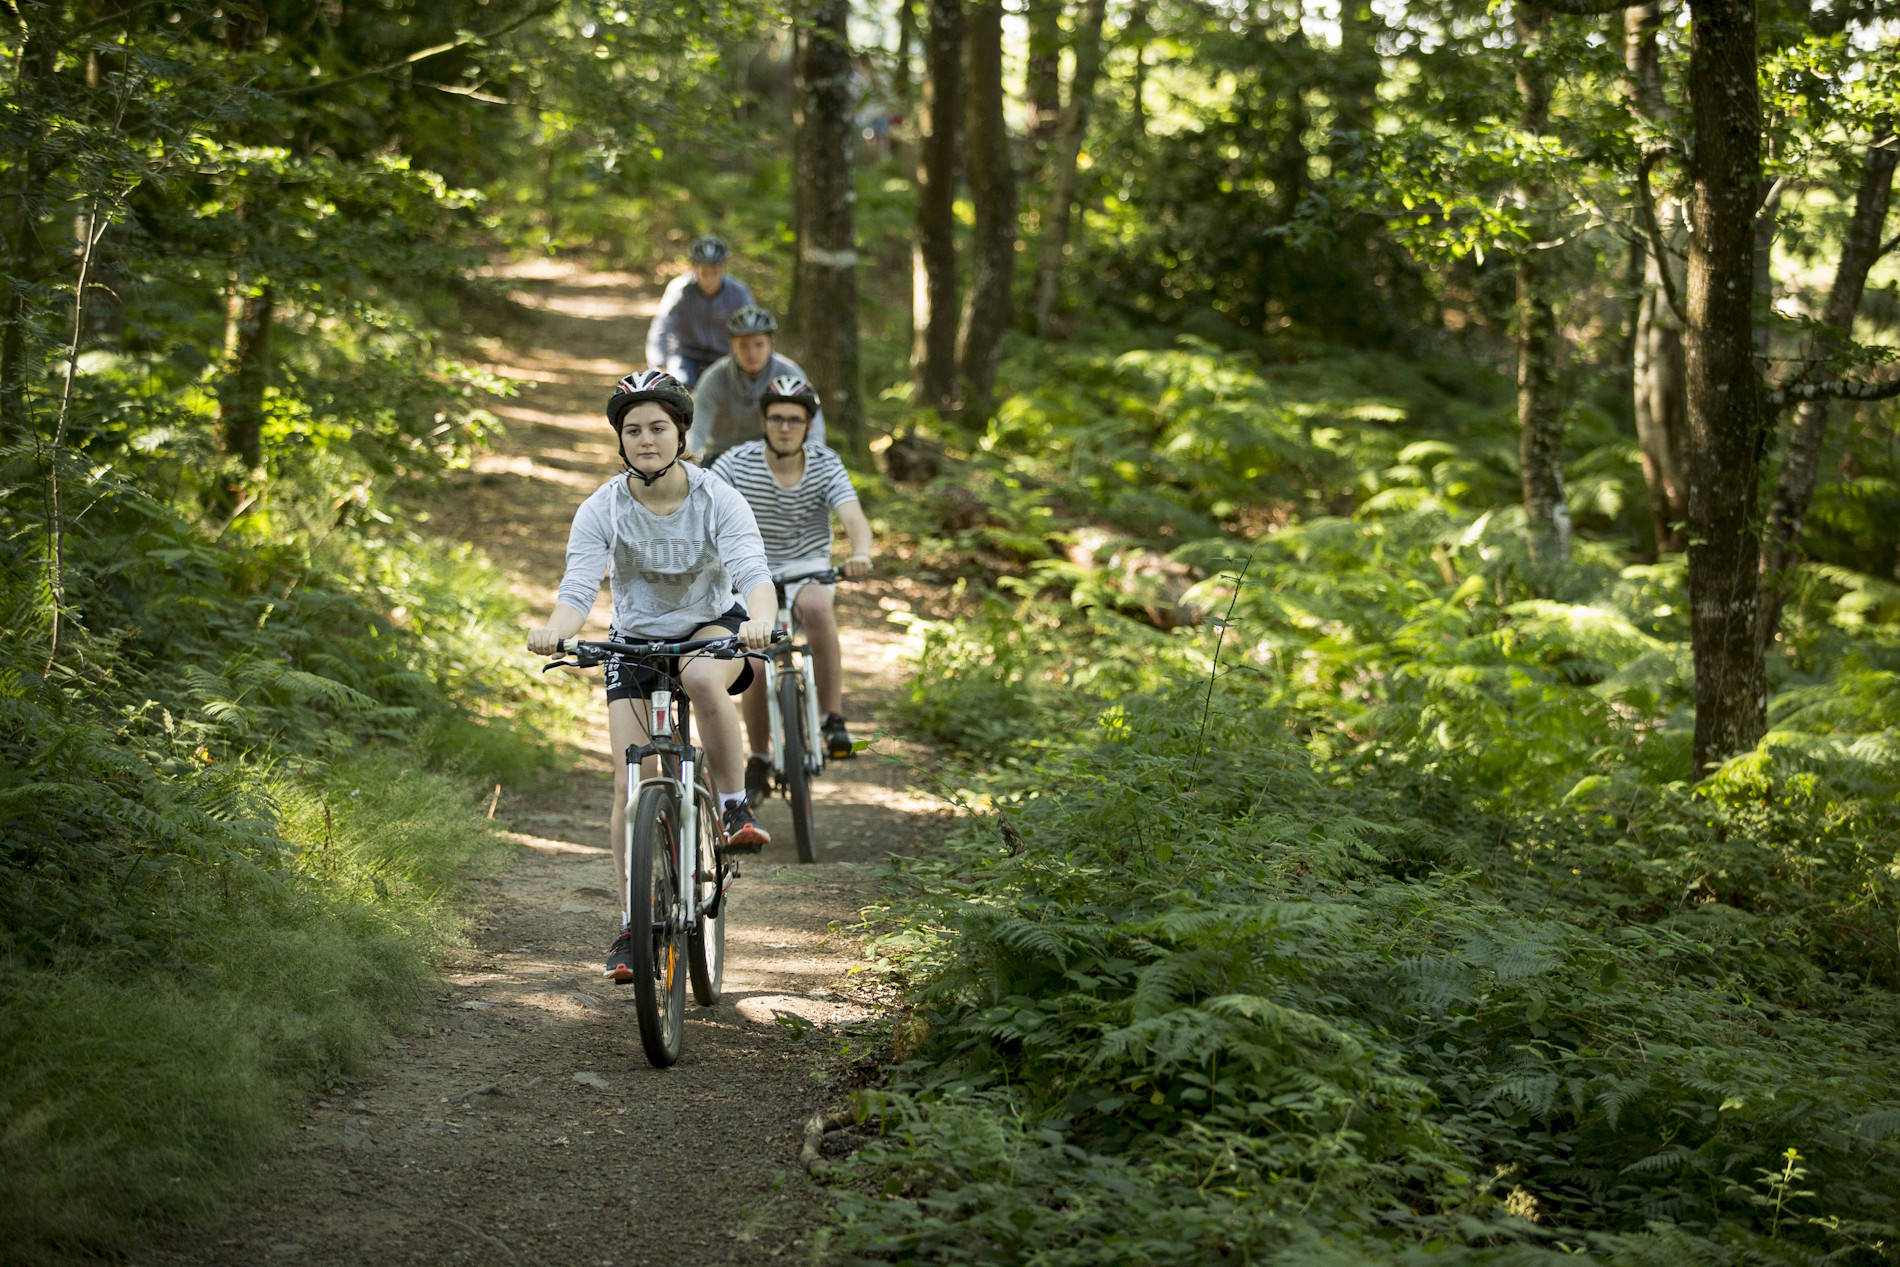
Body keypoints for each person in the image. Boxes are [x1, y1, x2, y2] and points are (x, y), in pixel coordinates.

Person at [526, 369, 776, 983]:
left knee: (698, 675)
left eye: (658, 428)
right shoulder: (601, 507)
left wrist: (761, 623)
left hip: (713, 629)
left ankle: (735, 805)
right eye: (632, 430)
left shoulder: (717, 496)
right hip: (636, 643)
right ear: (619, 441)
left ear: (681, 432)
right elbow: (578, 588)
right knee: (630, 783)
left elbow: (753, 572)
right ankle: (633, 922)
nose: (646, 439)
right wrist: (556, 628)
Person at [709, 375, 873, 803]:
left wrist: (861, 552)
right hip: (748, 569)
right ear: (763, 422)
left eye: (795, 420)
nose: (785, 427)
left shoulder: (825, 462)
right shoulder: (736, 462)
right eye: (777, 418)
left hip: (806, 565)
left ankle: (833, 719)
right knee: (756, 660)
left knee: (818, 607)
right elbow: (702, 500)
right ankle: (760, 756)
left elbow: (853, 516)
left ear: (808, 425)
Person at [686, 304, 827, 465]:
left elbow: (814, 426)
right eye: (744, 346)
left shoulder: (789, 373)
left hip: (771, 457)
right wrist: (689, 468)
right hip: (720, 456)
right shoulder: (714, 378)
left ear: (771, 344)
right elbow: (695, 431)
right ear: (732, 346)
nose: (752, 353)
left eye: (759, 345)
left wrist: (814, 464)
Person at [644, 235, 756, 387]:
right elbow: (662, 326)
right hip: (685, 353)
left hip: (724, 355)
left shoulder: (738, 292)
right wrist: (658, 363)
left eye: (715, 272)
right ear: (694, 268)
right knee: (678, 385)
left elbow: (753, 329)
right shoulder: (679, 289)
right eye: (704, 272)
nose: (709, 279)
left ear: (723, 268)